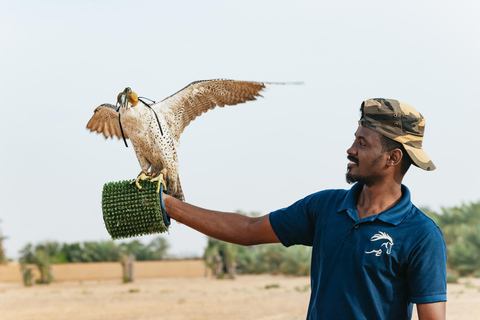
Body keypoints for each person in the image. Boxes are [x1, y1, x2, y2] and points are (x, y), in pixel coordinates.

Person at [163, 98, 447, 320]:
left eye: (362, 143)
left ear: (392, 158)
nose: (351, 149)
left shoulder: (421, 235)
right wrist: (170, 206)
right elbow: (248, 230)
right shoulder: (325, 208)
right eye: (354, 139)